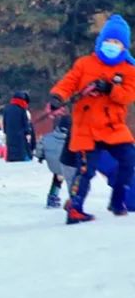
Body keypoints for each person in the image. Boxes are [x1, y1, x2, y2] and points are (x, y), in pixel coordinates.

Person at [47, 14, 135, 223]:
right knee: (86, 170)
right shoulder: (84, 64)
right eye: (108, 41)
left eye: (116, 42)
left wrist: (111, 88)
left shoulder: (129, 69)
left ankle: (117, 199)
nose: (111, 45)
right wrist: (57, 98)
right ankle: (75, 207)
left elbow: (128, 95)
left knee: (129, 159)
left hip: (114, 128)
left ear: (124, 47)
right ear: (100, 42)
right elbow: (68, 83)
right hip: (86, 127)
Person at [35, 114, 75, 208]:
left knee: (57, 179)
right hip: (68, 164)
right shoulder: (72, 138)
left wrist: (41, 157)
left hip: (53, 166)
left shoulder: (47, 137)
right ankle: (74, 199)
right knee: (73, 179)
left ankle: (52, 197)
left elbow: (39, 148)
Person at [2, 91, 32, 162]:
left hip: (10, 136)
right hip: (20, 137)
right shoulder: (22, 109)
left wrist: (7, 132)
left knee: (12, 153)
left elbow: (5, 123)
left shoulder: (7, 109)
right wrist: (28, 132)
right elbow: (25, 123)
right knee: (22, 154)